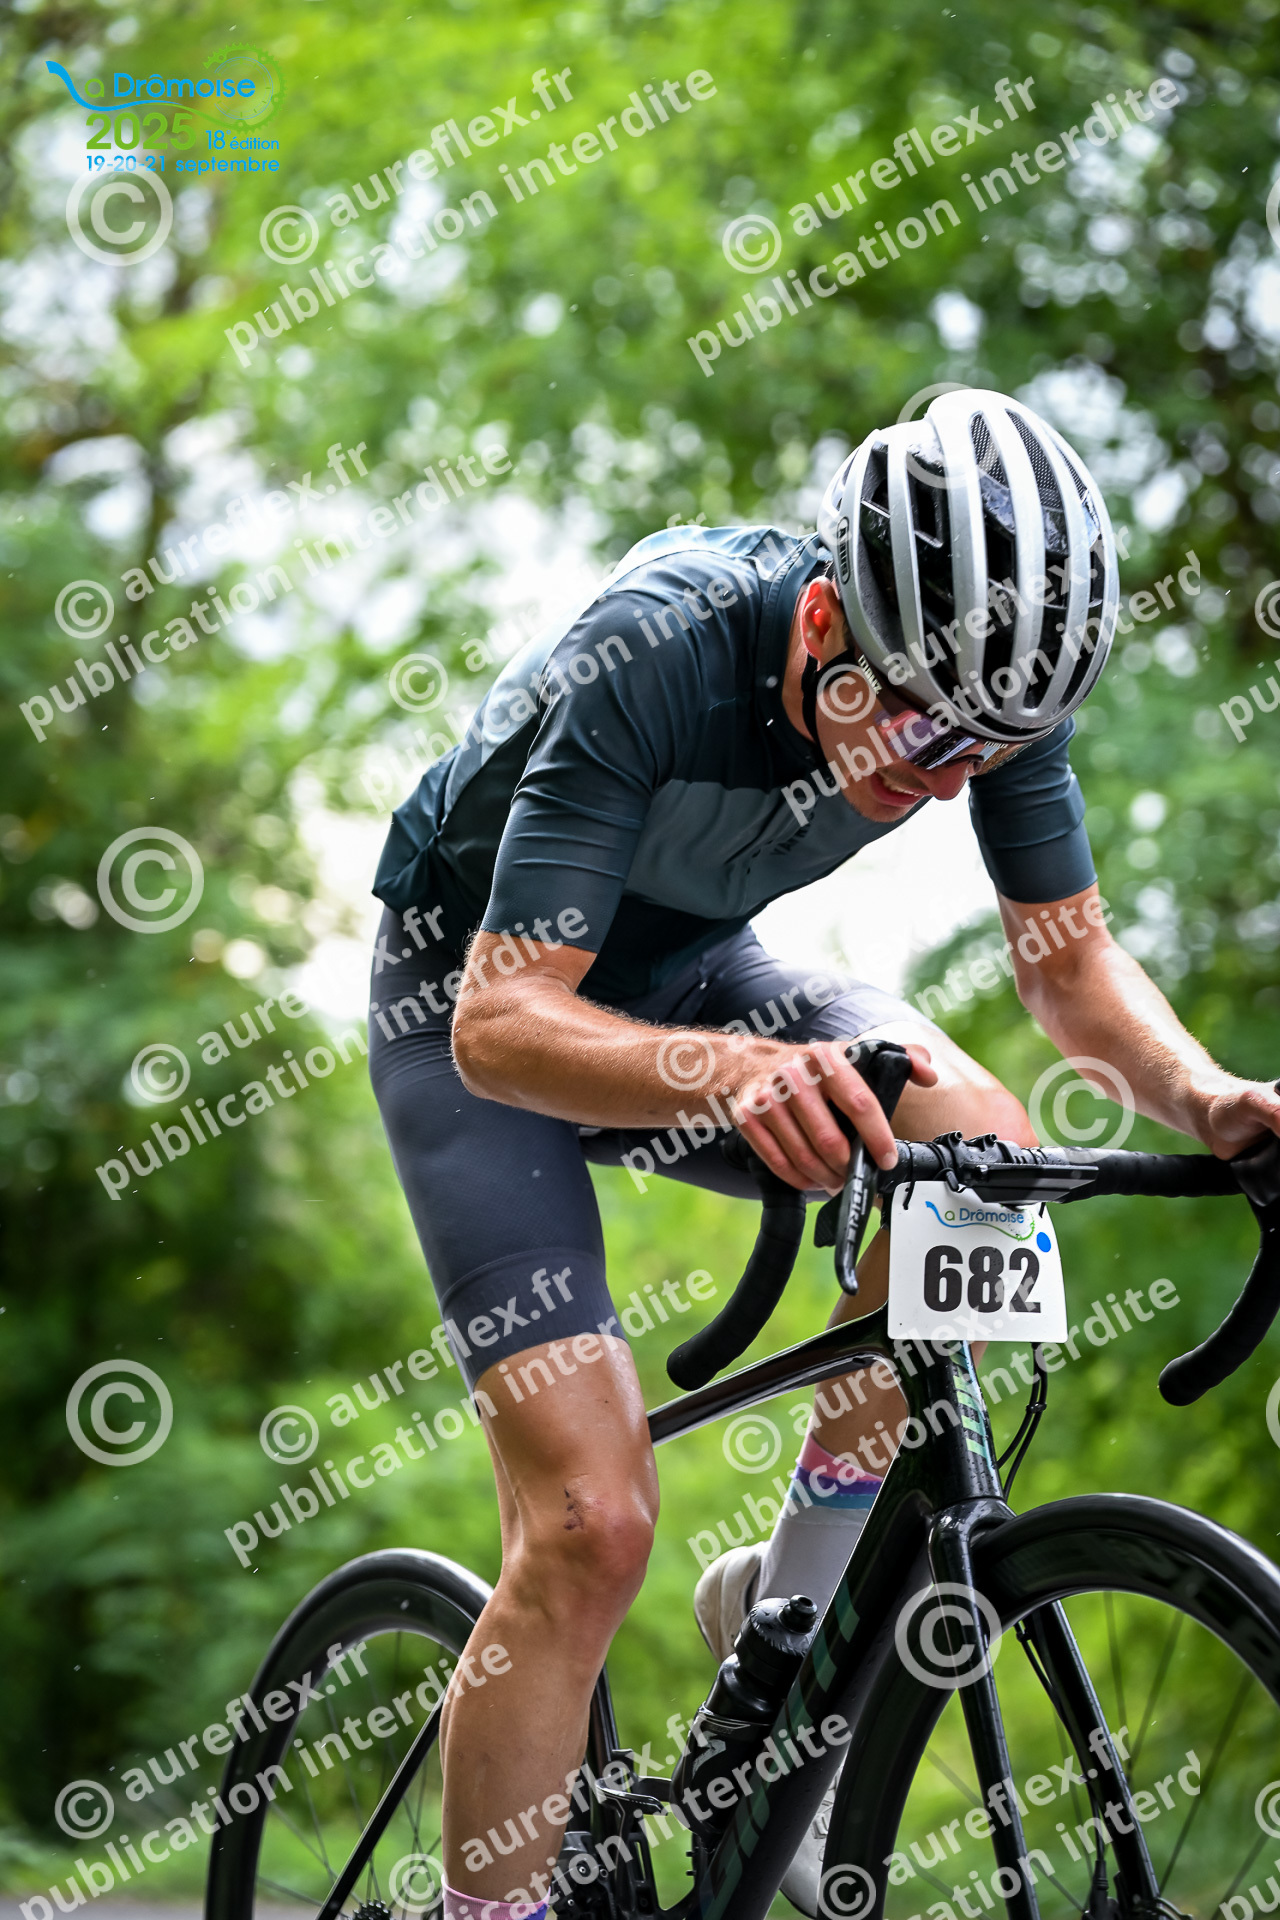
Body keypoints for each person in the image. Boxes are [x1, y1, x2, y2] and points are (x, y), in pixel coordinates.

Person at [368, 388, 1280, 1920]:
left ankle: (783, 1626)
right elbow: (503, 1024)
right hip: (475, 1007)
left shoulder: (977, 688)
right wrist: (729, 1070)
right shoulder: (660, 645)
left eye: (988, 748)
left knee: (979, 1149)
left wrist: (1209, 1098)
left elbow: (1066, 964)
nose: (944, 774)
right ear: (818, 620)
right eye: (918, 725)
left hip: (693, 974)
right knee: (590, 1528)